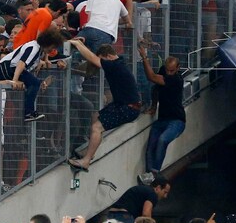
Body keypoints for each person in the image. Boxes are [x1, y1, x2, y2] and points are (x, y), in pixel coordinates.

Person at [67, 37, 141, 172]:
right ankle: (89, 151)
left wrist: (78, 44)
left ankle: (86, 161)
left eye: (103, 60)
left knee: (97, 127)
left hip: (128, 108)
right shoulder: (119, 63)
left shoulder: (115, 66)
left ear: (109, 56)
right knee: (96, 116)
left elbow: (93, 59)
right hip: (121, 104)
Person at [138, 43, 185, 179]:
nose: (169, 73)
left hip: (176, 120)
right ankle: (149, 175)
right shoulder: (163, 71)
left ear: (178, 69)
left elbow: (151, 77)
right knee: (151, 146)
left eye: (172, 70)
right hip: (162, 119)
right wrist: (153, 106)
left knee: (162, 140)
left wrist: (144, 58)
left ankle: (155, 173)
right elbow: (155, 89)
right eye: (167, 70)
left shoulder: (177, 79)